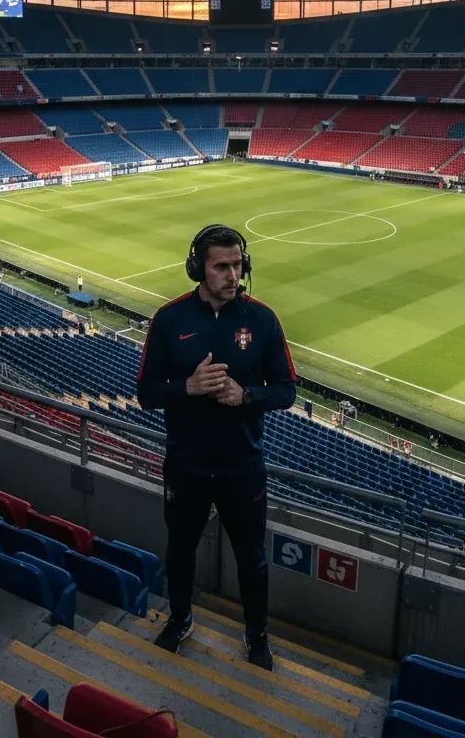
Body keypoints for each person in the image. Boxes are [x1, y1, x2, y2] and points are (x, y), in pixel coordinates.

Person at [136, 224, 296, 671]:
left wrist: (245, 396)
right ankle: (181, 618)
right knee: (181, 549)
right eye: (221, 266)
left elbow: (286, 391)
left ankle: (256, 636)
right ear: (198, 269)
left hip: (242, 466)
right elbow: (146, 392)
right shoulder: (169, 319)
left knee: (252, 559)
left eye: (238, 265)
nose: (232, 275)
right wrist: (187, 387)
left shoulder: (262, 319)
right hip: (185, 464)